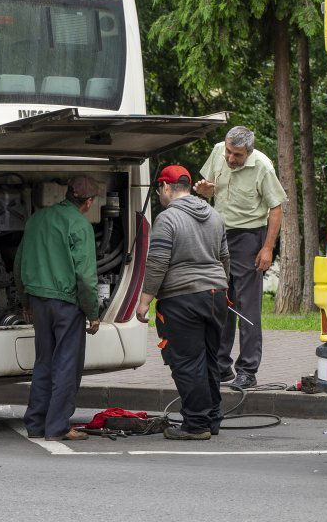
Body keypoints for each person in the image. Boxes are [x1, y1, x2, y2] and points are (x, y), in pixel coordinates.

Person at [136, 165, 230, 440]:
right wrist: (222, 287)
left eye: (160, 190)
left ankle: (196, 424)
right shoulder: (214, 215)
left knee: (188, 363)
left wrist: (144, 302)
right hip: (215, 296)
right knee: (210, 359)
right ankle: (212, 418)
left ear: (166, 188)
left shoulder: (168, 219)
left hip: (181, 299)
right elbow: (225, 257)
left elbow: (157, 263)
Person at [194, 125, 286, 389]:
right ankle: (221, 366)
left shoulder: (263, 167)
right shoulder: (218, 152)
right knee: (221, 302)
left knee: (247, 307)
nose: (231, 159)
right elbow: (211, 191)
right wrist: (205, 190)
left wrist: (267, 248)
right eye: (229, 152)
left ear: (249, 151)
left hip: (249, 238)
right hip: (218, 235)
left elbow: (276, 207)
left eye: (237, 155)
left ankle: (247, 369)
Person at [14, 175, 102, 441]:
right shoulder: (80, 225)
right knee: (66, 364)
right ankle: (58, 427)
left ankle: (36, 423)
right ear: (88, 202)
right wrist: (93, 313)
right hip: (66, 304)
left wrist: (25, 300)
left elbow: (19, 263)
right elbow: (85, 276)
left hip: (39, 300)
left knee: (44, 361)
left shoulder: (37, 219)